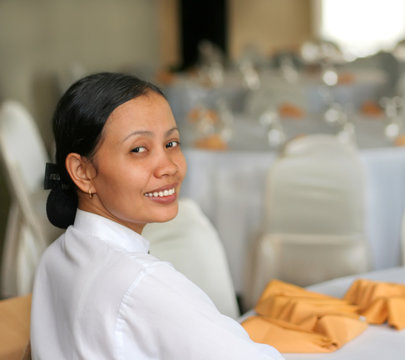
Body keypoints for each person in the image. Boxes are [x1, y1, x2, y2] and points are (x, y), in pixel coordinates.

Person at [31, 72, 283, 359]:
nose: (168, 167)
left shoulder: (55, 257)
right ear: (82, 172)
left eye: (171, 143)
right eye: (138, 149)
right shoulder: (143, 285)